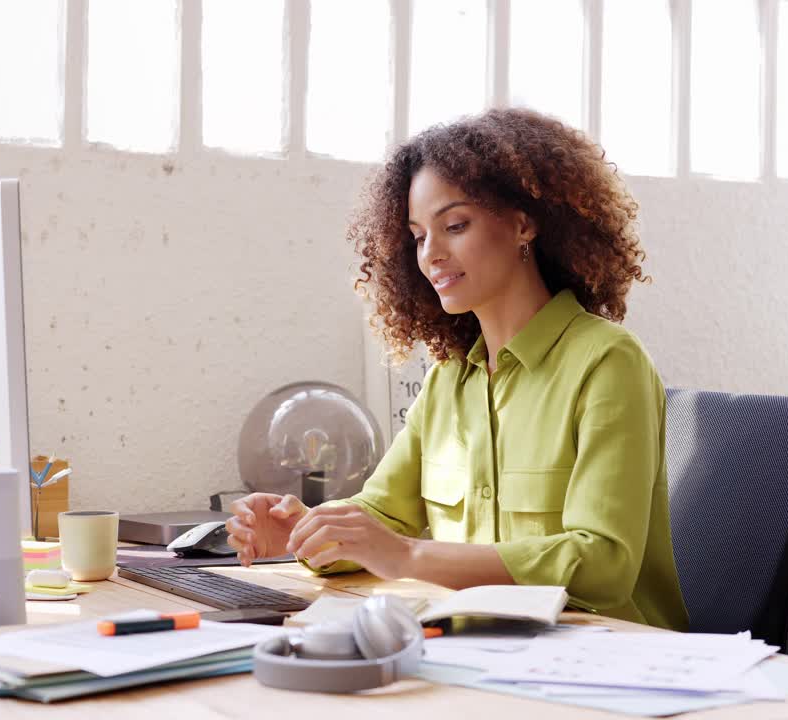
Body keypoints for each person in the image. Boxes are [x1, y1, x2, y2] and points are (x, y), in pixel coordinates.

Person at [226, 108, 689, 631]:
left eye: (455, 225)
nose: (432, 255)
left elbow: (603, 564)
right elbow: (383, 515)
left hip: (607, 662)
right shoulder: (449, 379)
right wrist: (306, 532)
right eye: (419, 236)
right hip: (477, 651)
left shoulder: (607, 363)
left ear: (523, 224)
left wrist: (408, 557)